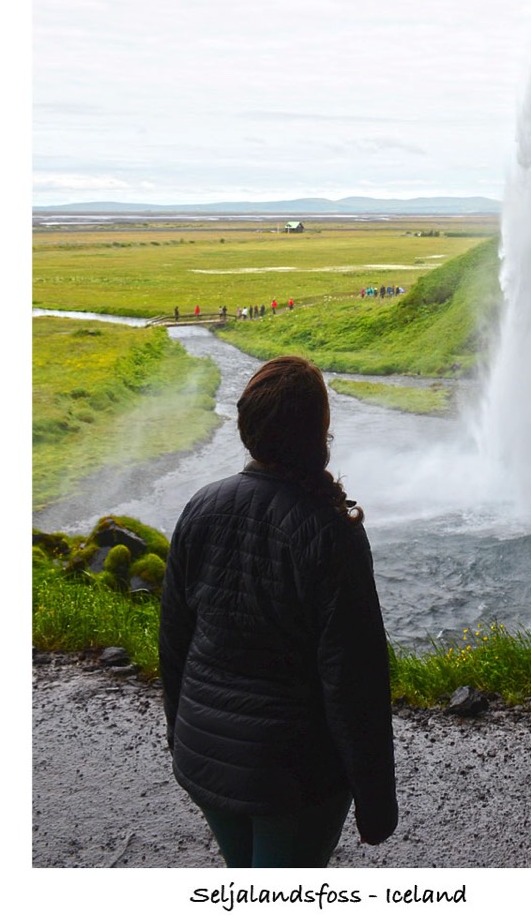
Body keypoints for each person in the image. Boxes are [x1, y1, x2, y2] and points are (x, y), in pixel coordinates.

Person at [159, 355, 398, 867]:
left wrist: (183, 737)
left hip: (205, 758)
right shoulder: (332, 531)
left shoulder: (201, 506)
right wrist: (377, 807)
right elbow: (355, 682)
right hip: (292, 776)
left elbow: (174, 644)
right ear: (319, 432)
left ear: (248, 427)